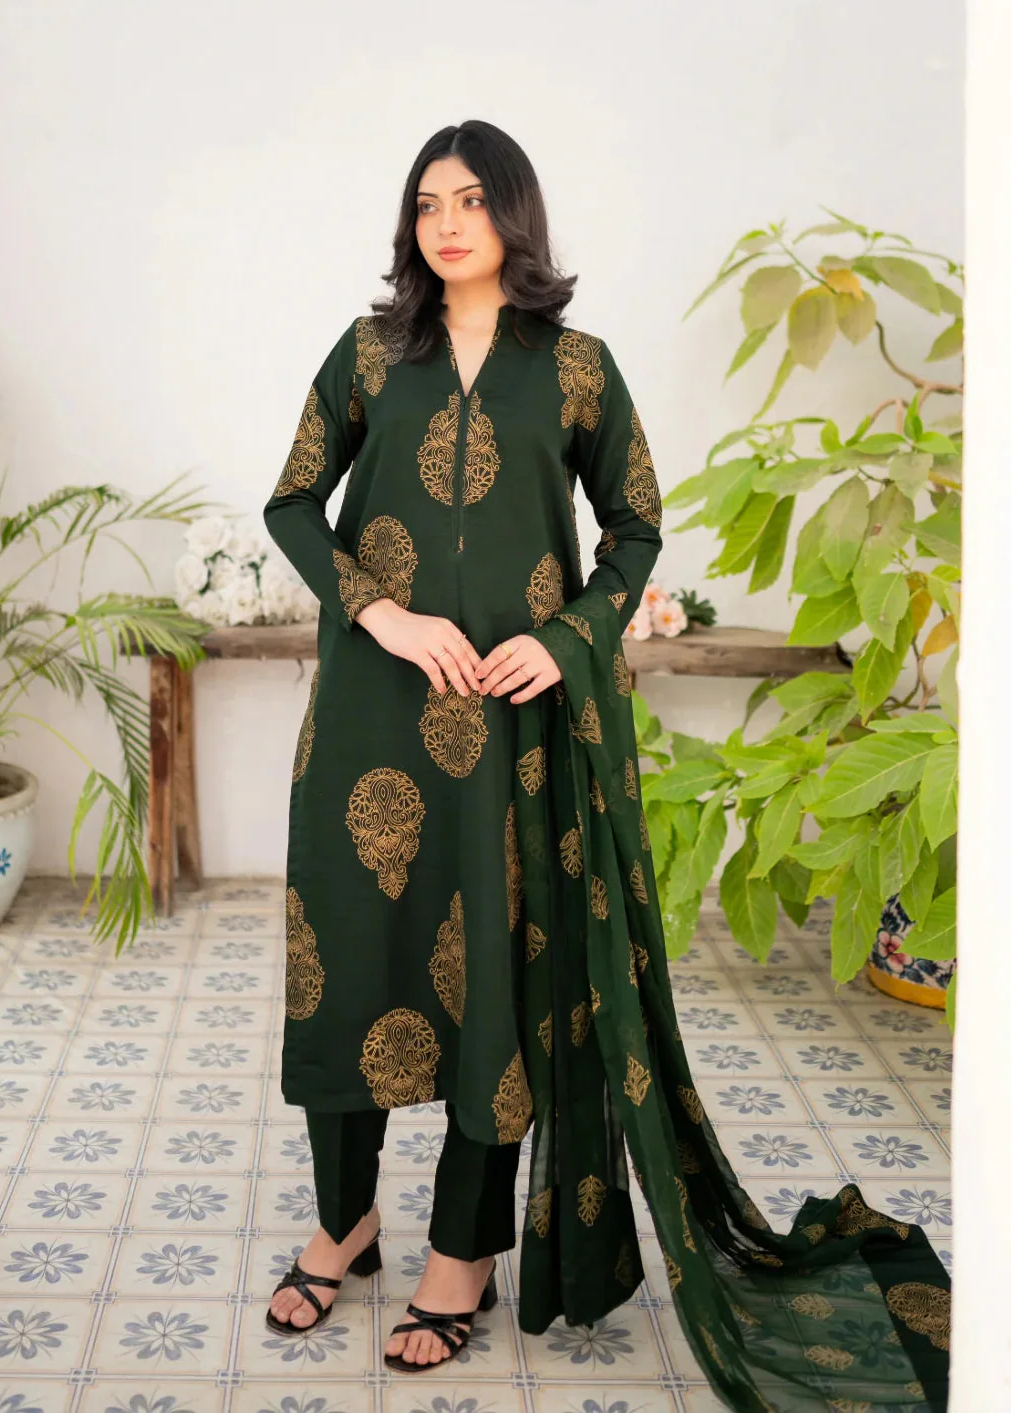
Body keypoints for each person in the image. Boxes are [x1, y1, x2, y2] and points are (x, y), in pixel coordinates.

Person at [262, 121, 951, 1410]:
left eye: (472, 201)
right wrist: (385, 615)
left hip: (514, 736)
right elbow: (293, 502)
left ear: (516, 217)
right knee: (351, 963)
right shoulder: (369, 353)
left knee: (489, 982)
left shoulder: (575, 368)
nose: (448, 223)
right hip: (371, 711)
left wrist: (562, 638)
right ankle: (342, 1224)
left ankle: (461, 1254)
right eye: (427, 205)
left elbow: (634, 526)